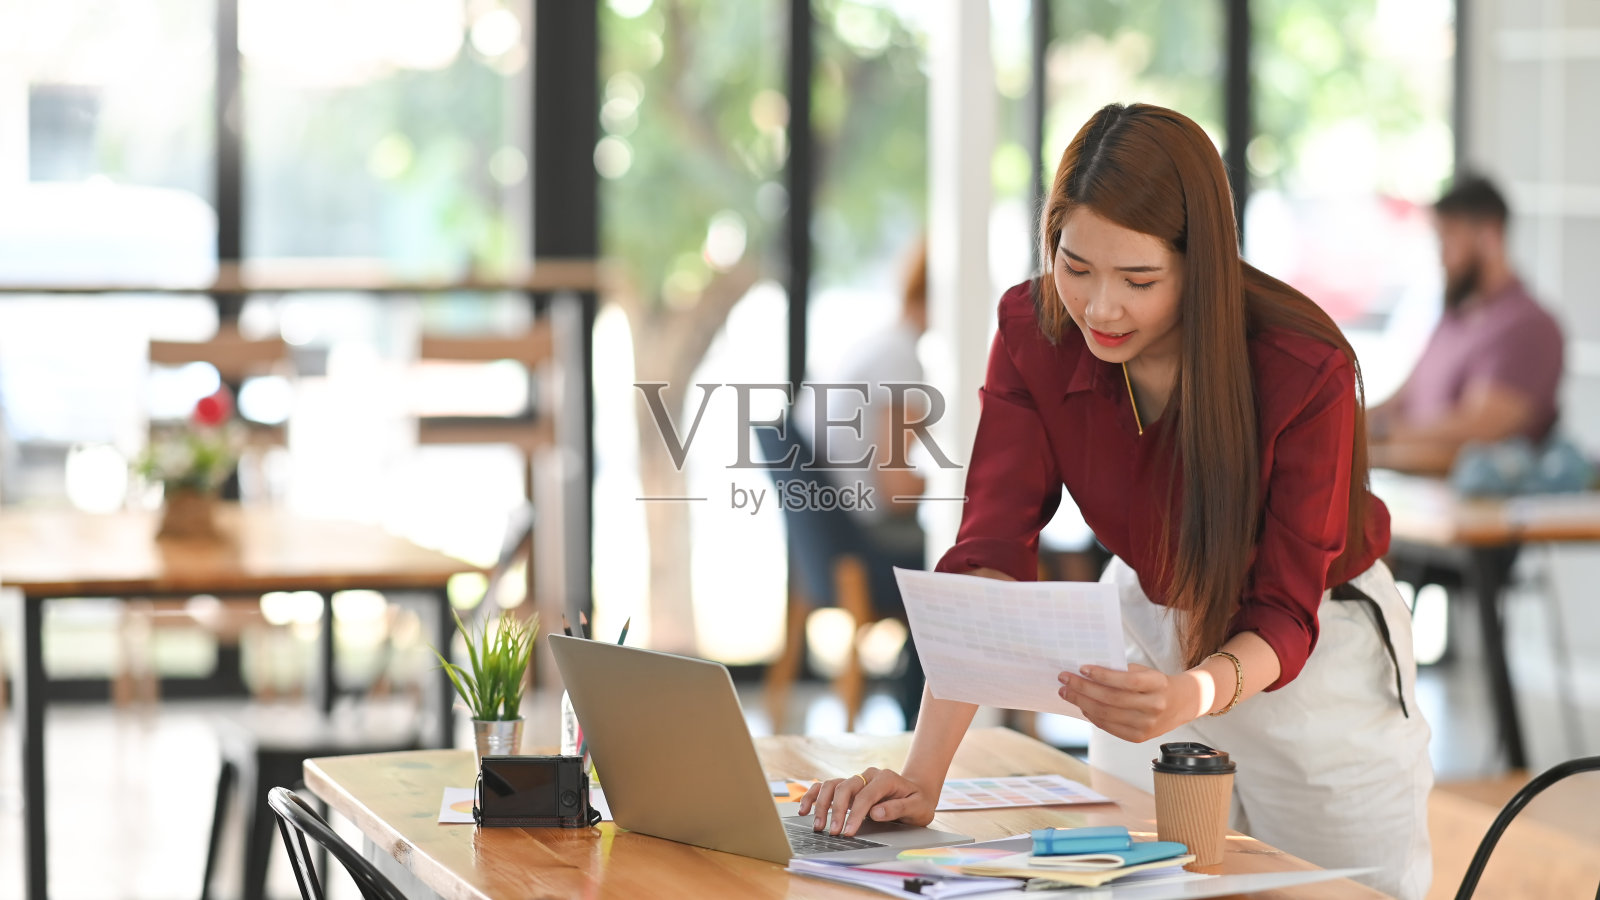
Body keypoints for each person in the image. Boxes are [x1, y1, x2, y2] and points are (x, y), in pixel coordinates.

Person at [799, 103, 1432, 900]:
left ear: (1201, 264)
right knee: (1135, 888)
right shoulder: (1034, 330)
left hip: (1314, 650)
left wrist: (1192, 692)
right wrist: (925, 776)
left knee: (1344, 892)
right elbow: (989, 556)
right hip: (1148, 626)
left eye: (1138, 279)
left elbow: (1283, 608)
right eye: (1075, 266)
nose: (1100, 308)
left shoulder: (1304, 368)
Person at [1368, 175, 1565, 472]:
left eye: (1449, 238)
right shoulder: (1454, 318)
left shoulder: (1528, 326)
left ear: (1490, 237)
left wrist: (1379, 442)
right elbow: (1401, 399)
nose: (1442, 257)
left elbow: (1477, 431)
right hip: (1416, 495)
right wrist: (1345, 425)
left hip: (1472, 511)